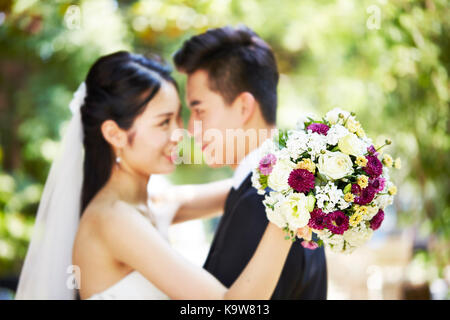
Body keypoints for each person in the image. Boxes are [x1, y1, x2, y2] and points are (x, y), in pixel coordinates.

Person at [15, 51, 293, 300]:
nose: (178, 134)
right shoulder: (113, 220)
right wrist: (290, 216)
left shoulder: (153, 205)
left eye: (177, 118)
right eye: (163, 123)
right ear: (115, 134)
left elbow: (245, 181)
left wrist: (306, 165)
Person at [172, 25, 328, 299]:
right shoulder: (282, 192)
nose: (191, 129)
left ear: (244, 107)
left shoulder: (263, 204)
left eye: (199, 111)